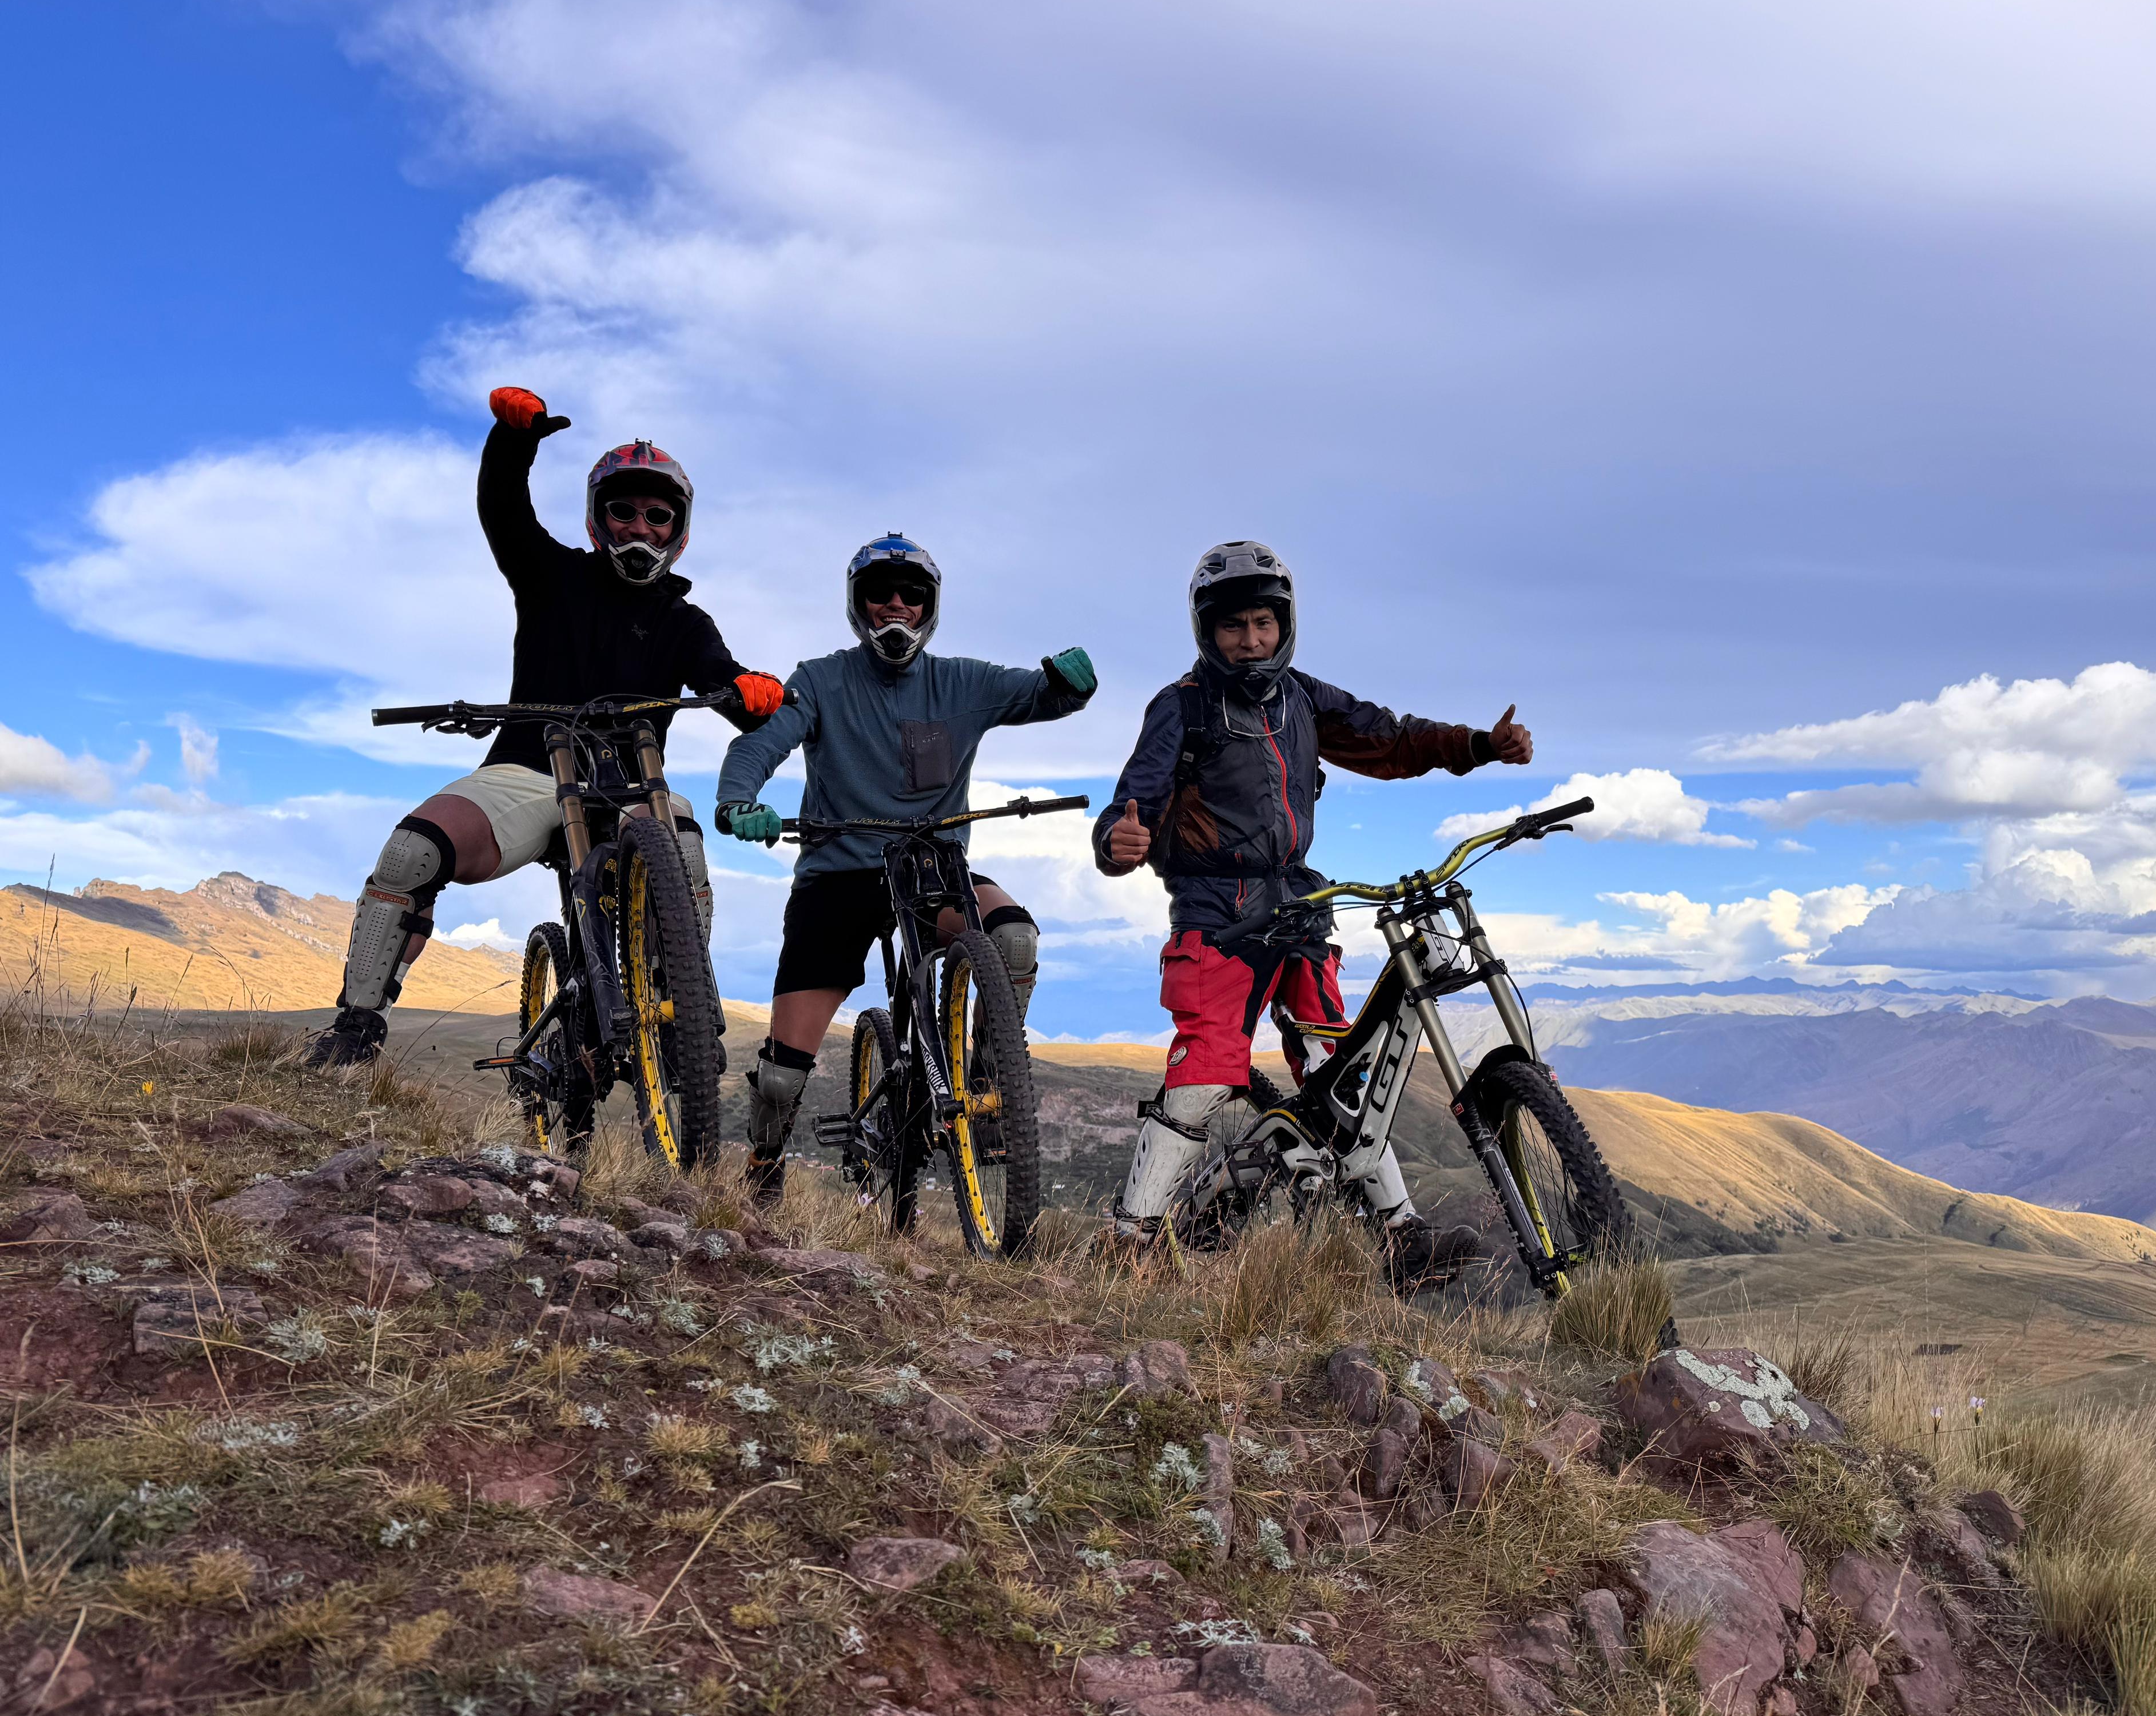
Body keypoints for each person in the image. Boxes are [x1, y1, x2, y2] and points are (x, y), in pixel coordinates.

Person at [1091, 541, 1534, 1288]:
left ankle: (1400, 1238)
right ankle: (1129, 1239)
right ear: (1207, 631)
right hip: (1215, 915)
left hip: (1301, 909)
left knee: (1339, 1067)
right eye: (1235, 627)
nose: (1252, 640)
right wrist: (1118, 840)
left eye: (1264, 623)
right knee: (1208, 1068)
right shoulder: (1181, 706)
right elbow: (1134, 798)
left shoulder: (1301, 697)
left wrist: (1477, 747)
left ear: (1285, 621)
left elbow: (1386, 737)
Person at [306, 387, 784, 1066]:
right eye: (623, 511)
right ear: (597, 518)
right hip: (527, 769)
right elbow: (503, 512)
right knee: (411, 853)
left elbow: (721, 679)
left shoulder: (686, 621)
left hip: (630, 793)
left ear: (677, 529)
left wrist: (748, 692)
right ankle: (355, 1028)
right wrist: (513, 440)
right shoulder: (551, 575)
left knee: (677, 839)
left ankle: (681, 1011)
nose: (639, 528)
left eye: (657, 515)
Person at [714, 535, 1097, 1192]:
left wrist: (1070, 684)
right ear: (857, 605)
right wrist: (737, 800)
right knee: (782, 1072)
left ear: (929, 607)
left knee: (1011, 938)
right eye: (880, 594)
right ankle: (764, 1163)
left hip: (930, 871)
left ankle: (984, 1084)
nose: (896, 605)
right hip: (836, 873)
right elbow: (763, 740)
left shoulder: (963, 682)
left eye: (911, 596)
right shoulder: (819, 679)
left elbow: (1039, 695)